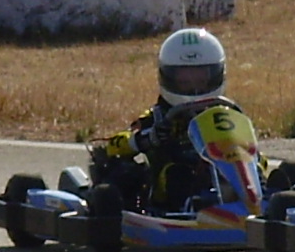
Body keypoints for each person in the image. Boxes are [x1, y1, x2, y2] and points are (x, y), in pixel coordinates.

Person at [92, 27, 239, 211]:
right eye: (185, 82)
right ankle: (188, 211)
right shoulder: (158, 116)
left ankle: (261, 201)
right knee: (178, 174)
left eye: (200, 80)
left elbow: (251, 153)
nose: (193, 87)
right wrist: (148, 138)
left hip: (223, 177)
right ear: (167, 77)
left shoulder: (228, 114)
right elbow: (114, 146)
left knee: (268, 171)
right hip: (168, 191)